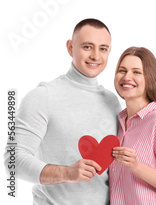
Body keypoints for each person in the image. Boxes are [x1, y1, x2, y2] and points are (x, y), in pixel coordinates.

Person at [5, 18, 120, 205]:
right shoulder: (43, 96)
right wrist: (66, 173)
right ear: (70, 48)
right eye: (87, 47)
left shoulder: (113, 101)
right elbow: (13, 160)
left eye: (103, 48)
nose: (96, 56)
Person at [108, 47, 156, 204]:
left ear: (150, 78)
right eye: (122, 70)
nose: (127, 77)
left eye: (136, 72)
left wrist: (136, 166)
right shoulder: (118, 122)